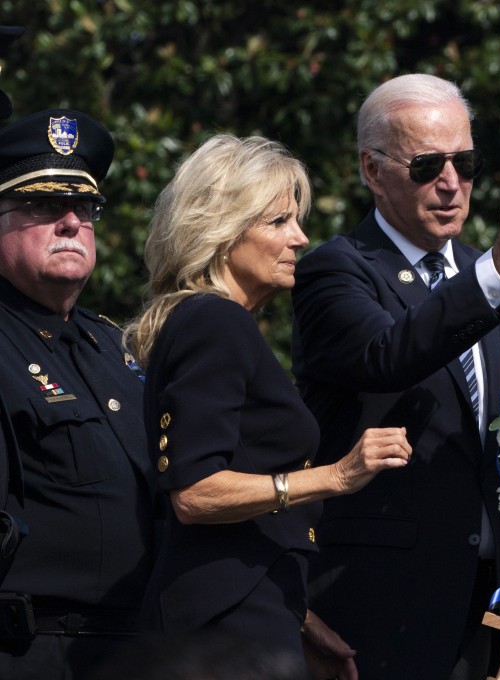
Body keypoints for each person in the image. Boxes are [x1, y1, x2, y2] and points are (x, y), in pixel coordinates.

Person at [291, 73, 500, 680]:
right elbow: (389, 354)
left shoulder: (488, 276)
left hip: (496, 612)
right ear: (372, 170)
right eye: (426, 166)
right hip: (382, 613)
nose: (451, 183)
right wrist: (499, 267)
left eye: (464, 163)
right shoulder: (336, 270)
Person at [124, 134, 412, 678]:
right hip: (224, 633)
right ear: (222, 231)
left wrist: (299, 616)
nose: (300, 238)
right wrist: (338, 475)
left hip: (244, 612)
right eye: (278, 222)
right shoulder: (216, 320)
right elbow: (194, 493)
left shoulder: (210, 322)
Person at [0, 108, 156, 678]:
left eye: (85, 207)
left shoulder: (118, 345)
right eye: (41, 205)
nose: (70, 221)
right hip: (37, 652)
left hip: (138, 648)